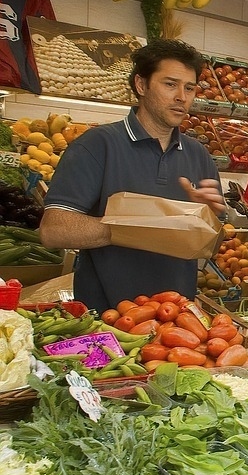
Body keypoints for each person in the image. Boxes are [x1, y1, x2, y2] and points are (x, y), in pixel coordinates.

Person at [39, 38, 225, 314]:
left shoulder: (198, 156)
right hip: (104, 319)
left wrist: (209, 222)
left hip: (175, 323)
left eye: (189, 88)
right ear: (141, 85)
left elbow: (213, 245)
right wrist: (135, 230)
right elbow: (53, 230)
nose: (181, 97)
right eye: (170, 84)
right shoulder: (97, 145)